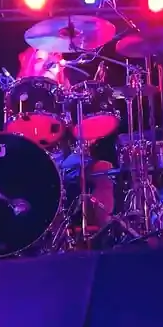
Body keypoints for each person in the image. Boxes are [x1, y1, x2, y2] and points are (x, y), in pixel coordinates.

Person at [16, 46, 115, 230]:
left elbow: (81, 134)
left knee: (104, 168)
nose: (48, 65)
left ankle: (105, 231)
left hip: (68, 162)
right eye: (40, 60)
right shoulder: (20, 98)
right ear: (29, 65)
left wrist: (88, 133)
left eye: (52, 60)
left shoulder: (68, 97)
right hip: (33, 161)